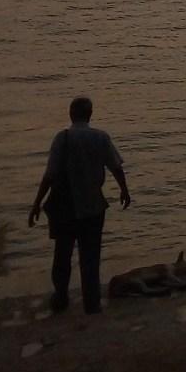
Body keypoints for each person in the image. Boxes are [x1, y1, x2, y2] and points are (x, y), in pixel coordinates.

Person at [27, 97, 131, 314]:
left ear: (70, 114)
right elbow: (116, 167)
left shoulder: (62, 139)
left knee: (62, 253)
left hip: (65, 207)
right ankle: (91, 303)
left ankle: (61, 297)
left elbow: (50, 175)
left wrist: (36, 203)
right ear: (90, 114)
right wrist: (124, 190)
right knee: (90, 256)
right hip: (93, 205)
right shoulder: (100, 137)